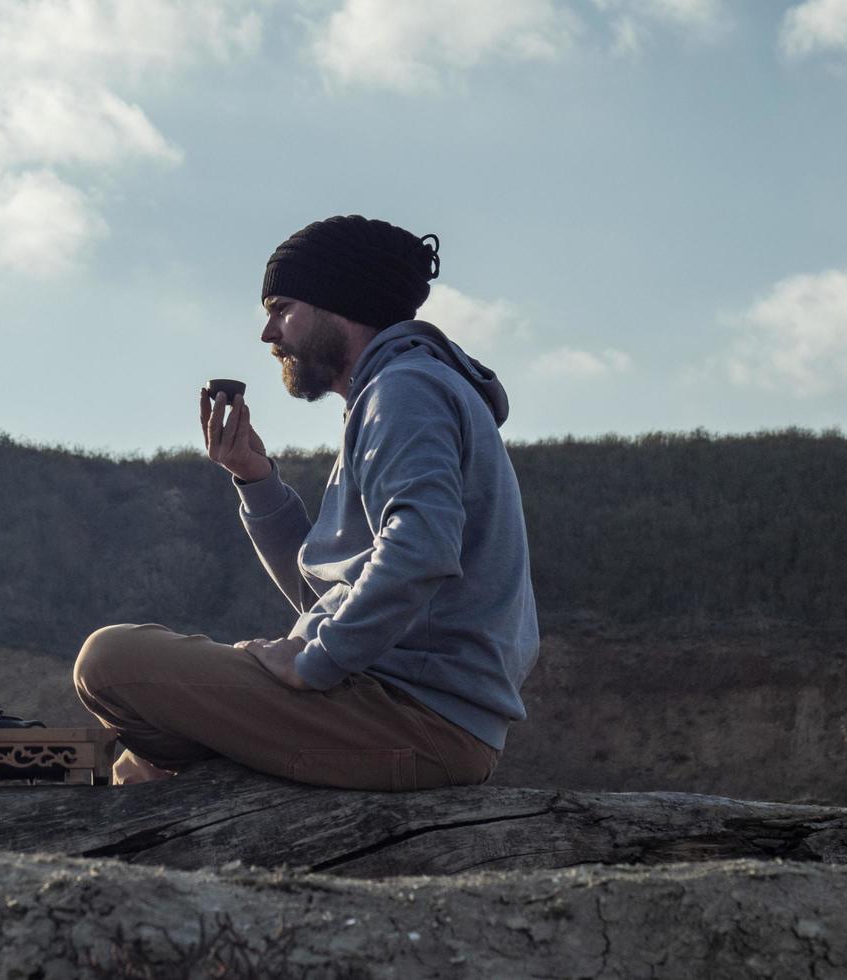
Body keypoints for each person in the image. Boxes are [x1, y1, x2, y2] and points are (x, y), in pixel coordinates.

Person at [74, 214, 539, 791]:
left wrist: (312, 661)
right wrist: (255, 479)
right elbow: (333, 593)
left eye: (281, 308)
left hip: (418, 721)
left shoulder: (404, 392)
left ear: (338, 303)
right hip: (395, 707)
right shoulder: (395, 393)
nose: (269, 334)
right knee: (138, 768)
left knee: (110, 663)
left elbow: (420, 552)